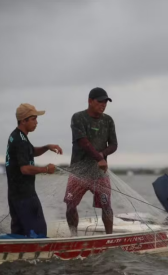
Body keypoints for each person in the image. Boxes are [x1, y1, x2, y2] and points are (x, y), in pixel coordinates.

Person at [64, 87, 118, 236]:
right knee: (70, 205)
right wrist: (99, 158)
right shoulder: (78, 118)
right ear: (90, 101)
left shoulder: (108, 120)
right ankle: (73, 236)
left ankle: (109, 237)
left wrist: (103, 154)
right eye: (100, 101)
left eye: (106, 102)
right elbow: (83, 142)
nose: (103, 104)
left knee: (107, 206)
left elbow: (114, 145)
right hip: (78, 172)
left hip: (99, 173)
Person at [5, 103, 63, 237]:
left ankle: (17, 257)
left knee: (19, 234)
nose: (36, 123)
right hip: (25, 196)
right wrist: (46, 169)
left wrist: (47, 147)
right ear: (23, 120)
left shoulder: (18, 136)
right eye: (33, 119)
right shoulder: (21, 141)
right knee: (39, 233)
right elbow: (25, 169)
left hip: (15, 195)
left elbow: (30, 152)